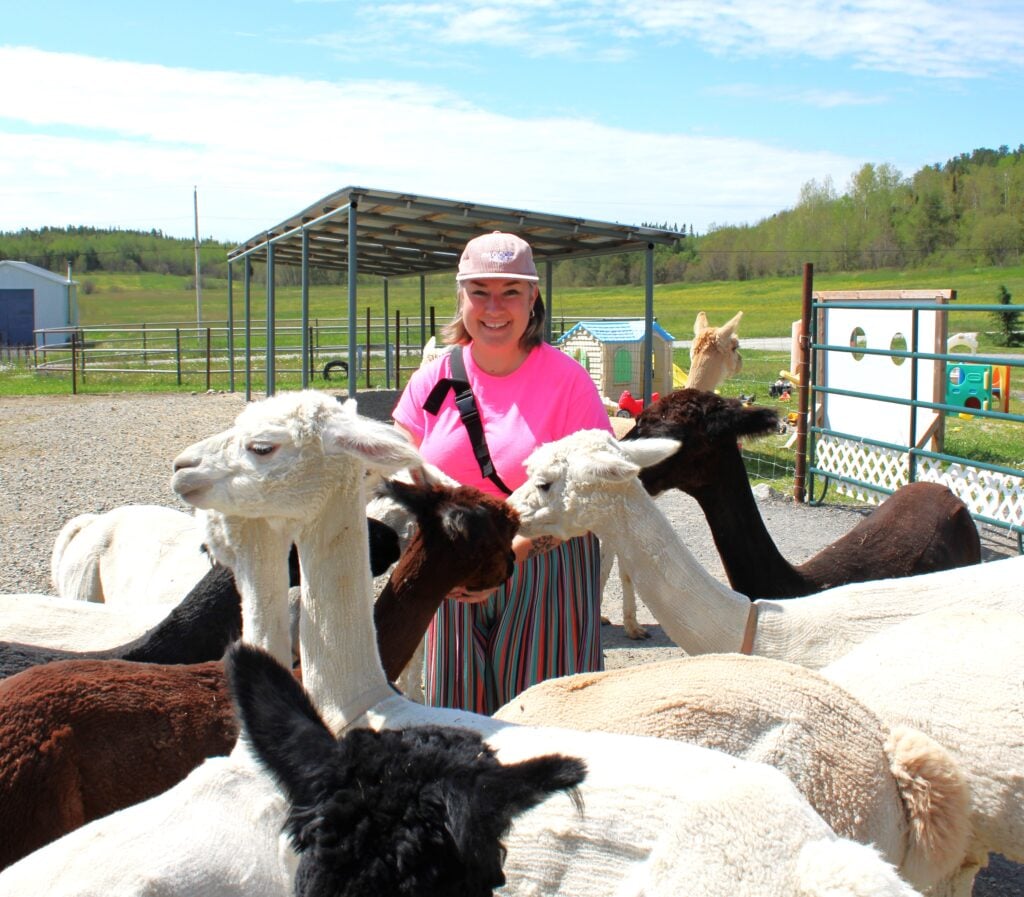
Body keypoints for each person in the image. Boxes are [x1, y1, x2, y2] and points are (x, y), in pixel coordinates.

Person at [392, 231, 613, 715]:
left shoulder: (567, 381)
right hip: (450, 569)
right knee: (457, 720)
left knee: (542, 719)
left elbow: (594, 490)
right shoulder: (433, 380)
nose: (495, 307)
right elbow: (400, 468)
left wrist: (512, 554)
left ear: (533, 297)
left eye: (510, 291)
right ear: (462, 297)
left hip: (544, 568)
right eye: (480, 291)